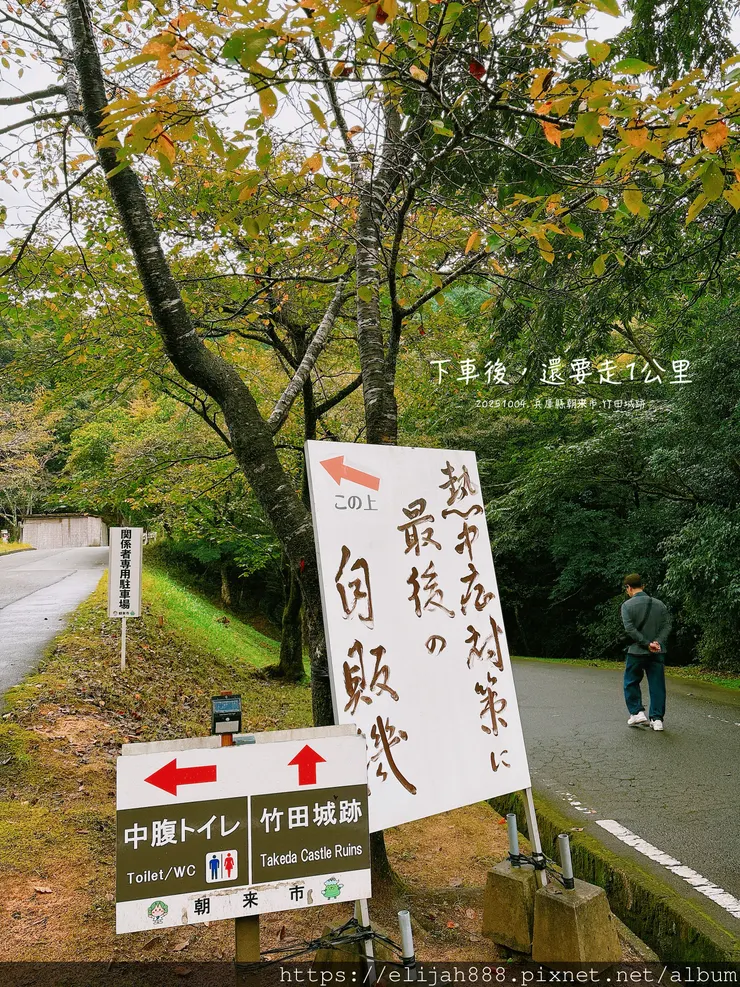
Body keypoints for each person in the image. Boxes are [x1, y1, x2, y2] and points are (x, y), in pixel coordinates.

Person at [620, 573, 672, 731]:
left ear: (628, 587)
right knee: (657, 685)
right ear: (643, 586)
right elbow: (667, 626)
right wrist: (657, 642)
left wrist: (646, 643)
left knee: (631, 682)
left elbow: (630, 629)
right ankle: (657, 720)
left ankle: (637, 712)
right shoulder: (660, 604)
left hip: (636, 651)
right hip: (657, 652)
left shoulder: (627, 606)